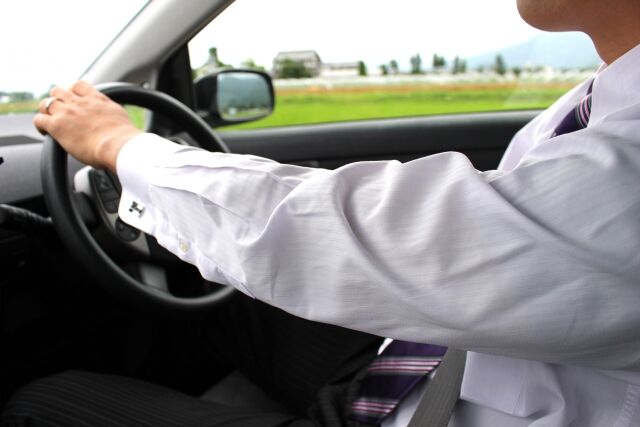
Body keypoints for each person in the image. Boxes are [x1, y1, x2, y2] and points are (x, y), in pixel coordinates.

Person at [4, 0, 640, 425]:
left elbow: (395, 235)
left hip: (441, 408)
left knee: (44, 402)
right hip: (448, 360)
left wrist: (122, 147)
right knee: (211, 290)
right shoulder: (599, 101)